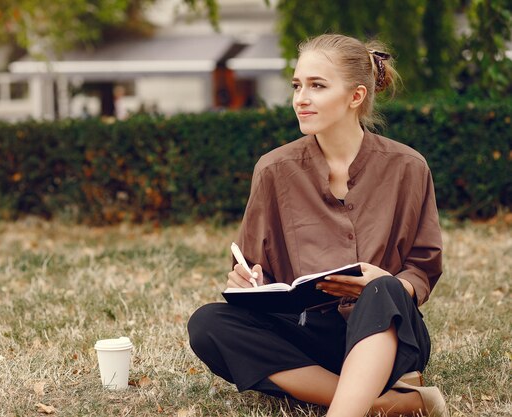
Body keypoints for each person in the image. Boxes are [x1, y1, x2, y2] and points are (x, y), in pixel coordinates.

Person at [187, 34, 447, 417]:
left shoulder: (408, 167)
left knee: (383, 290)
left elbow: (423, 265)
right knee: (208, 322)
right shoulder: (274, 170)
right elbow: (255, 266)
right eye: (297, 85)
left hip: (385, 330)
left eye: (317, 86)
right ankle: (388, 403)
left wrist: (390, 281)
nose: (300, 98)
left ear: (356, 96)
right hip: (308, 336)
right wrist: (247, 281)